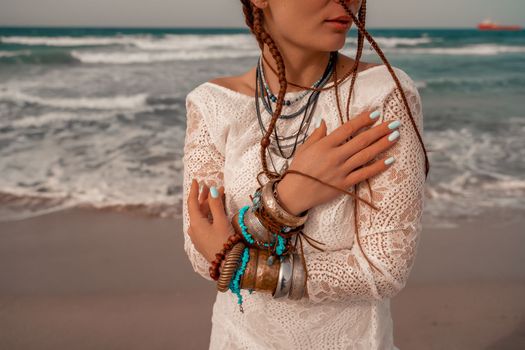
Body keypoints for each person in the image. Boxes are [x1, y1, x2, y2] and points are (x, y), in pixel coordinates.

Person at [182, 0, 430, 348]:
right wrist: (287, 199)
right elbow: (199, 248)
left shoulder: (381, 95)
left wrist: (244, 266)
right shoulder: (212, 104)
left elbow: (384, 269)